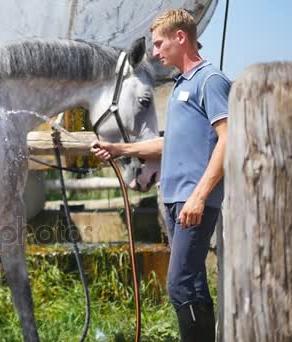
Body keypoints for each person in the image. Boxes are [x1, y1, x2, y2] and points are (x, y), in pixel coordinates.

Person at [91, 9, 230, 342]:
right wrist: (119, 150)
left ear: (180, 38)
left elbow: (229, 138)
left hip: (192, 201)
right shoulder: (183, 85)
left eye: (159, 43)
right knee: (192, 282)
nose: (154, 52)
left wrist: (198, 196)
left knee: (179, 282)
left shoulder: (210, 81)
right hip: (172, 200)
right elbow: (170, 144)